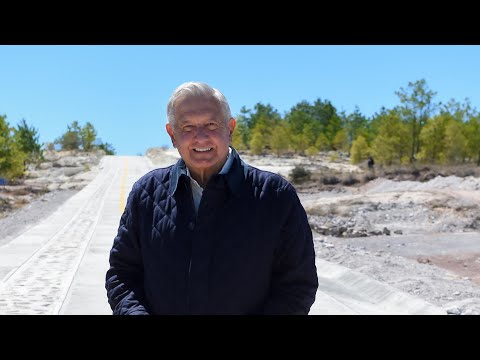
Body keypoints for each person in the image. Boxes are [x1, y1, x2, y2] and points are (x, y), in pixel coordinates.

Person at [105, 81, 318, 315]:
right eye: (187, 127)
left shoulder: (276, 196)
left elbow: (297, 285)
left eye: (211, 124)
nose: (201, 138)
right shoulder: (146, 193)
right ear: (172, 134)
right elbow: (122, 274)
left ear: (231, 128)